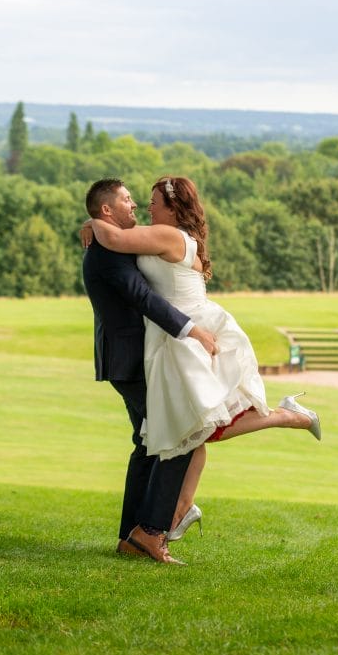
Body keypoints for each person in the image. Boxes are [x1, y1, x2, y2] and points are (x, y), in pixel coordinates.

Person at [85, 176, 321, 543]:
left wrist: (92, 222)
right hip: (170, 338)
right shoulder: (155, 234)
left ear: (172, 207)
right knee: (193, 427)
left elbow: (115, 238)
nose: (143, 207)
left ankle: (287, 417)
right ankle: (164, 519)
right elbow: (117, 240)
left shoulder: (168, 236)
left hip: (189, 333)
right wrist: (93, 221)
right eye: (135, 200)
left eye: (151, 201)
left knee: (197, 426)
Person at [82, 177, 219, 565]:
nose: (136, 206)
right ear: (107, 209)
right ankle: (152, 533)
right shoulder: (107, 252)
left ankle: (131, 536)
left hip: (130, 358)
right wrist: (193, 331)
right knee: (178, 436)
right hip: (127, 360)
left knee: (147, 444)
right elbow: (142, 298)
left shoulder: (110, 240)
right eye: (127, 201)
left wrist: (92, 224)